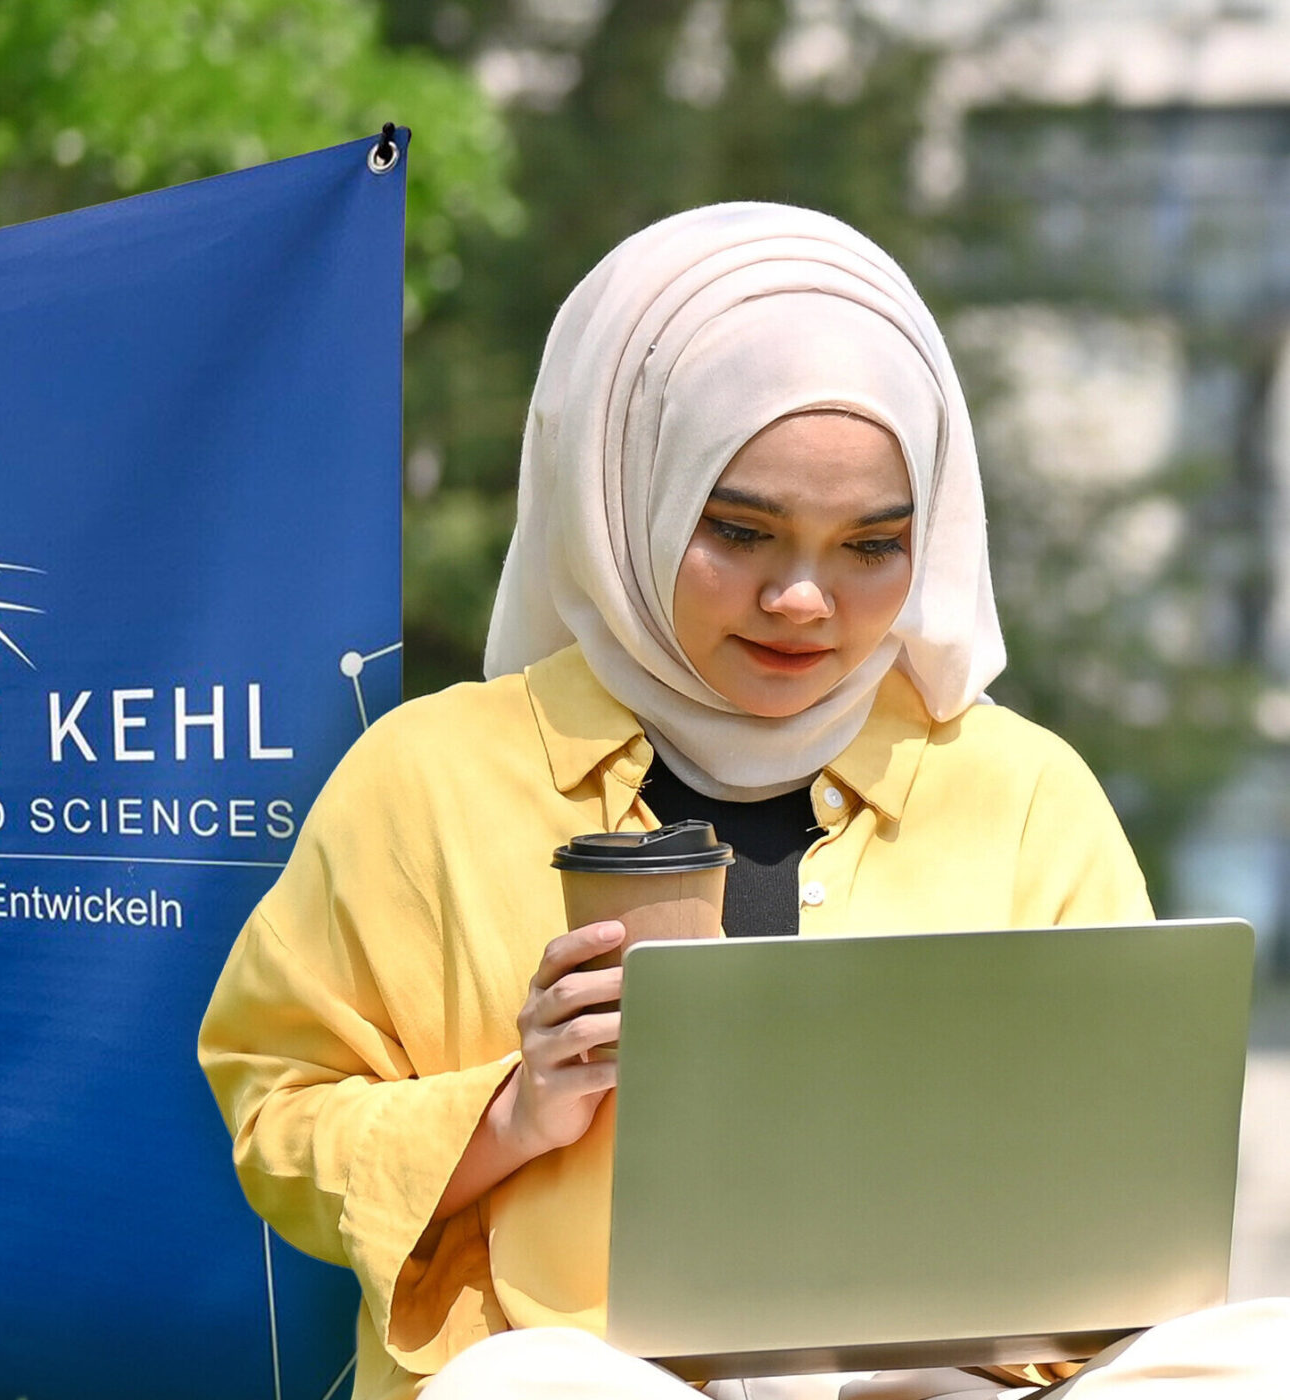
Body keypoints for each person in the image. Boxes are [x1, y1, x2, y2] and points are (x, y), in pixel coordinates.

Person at [196, 203, 1290, 1400]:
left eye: (873, 544)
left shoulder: (1020, 787)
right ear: (624, 491)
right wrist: (514, 1110)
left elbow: (1131, 1196)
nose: (805, 600)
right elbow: (278, 1114)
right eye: (741, 529)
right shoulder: (429, 777)